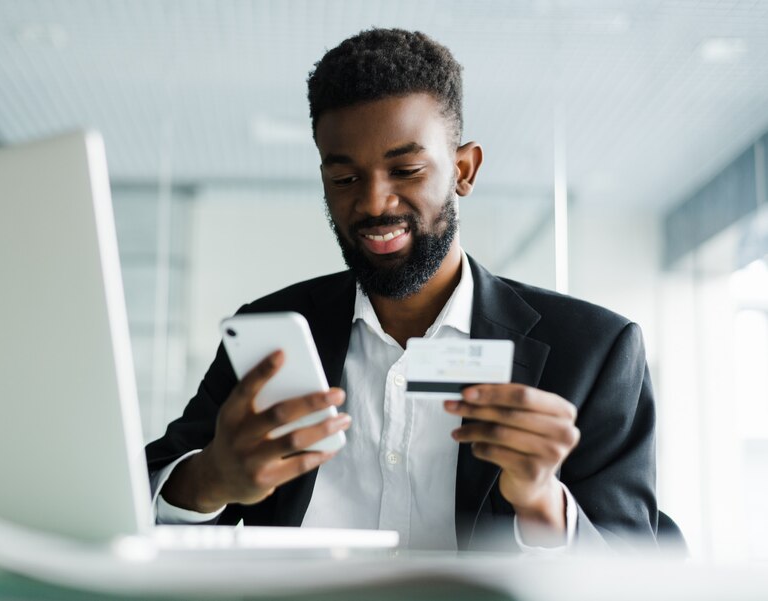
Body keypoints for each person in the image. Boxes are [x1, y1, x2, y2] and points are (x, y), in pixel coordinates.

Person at [145, 28, 657, 552]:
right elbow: (132, 502)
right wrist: (209, 480)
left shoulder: (594, 351)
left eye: (405, 170)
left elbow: (635, 572)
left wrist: (541, 500)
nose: (373, 203)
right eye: (344, 179)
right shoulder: (270, 335)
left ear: (463, 169)